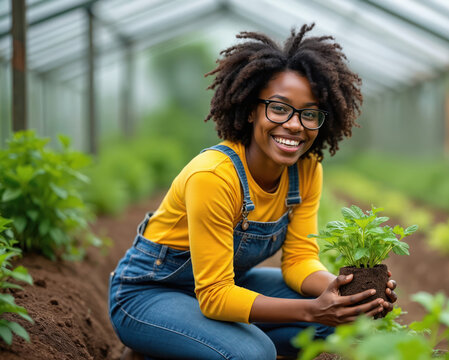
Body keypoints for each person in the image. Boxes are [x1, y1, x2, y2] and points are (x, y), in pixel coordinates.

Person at [108, 23, 398, 360]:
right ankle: (173, 338)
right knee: (253, 353)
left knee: (341, 323)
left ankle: (203, 342)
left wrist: (345, 293)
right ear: (250, 110)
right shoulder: (214, 176)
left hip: (230, 285)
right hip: (150, 293)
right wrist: (311, 311)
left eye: (309, 114)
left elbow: (299, 261)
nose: (294, 124)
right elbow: (215, 296)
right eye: (279, 108)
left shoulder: (306, 170)